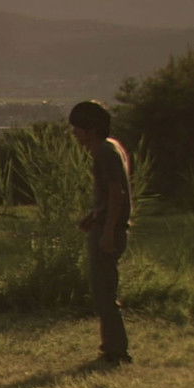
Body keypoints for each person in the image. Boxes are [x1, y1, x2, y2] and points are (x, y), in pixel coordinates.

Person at [70, 100, 132, 365]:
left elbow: (117, 193)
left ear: (90, 130)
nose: (74, 133)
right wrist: (94, 214)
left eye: (77, 128)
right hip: (107, 225)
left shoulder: (104, 152)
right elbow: (111, 194)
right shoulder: (112, 147)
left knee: (104, 291)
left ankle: (116, 350)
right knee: (105, 289)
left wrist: (107, 231)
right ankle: (112, 346)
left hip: (109, 230)